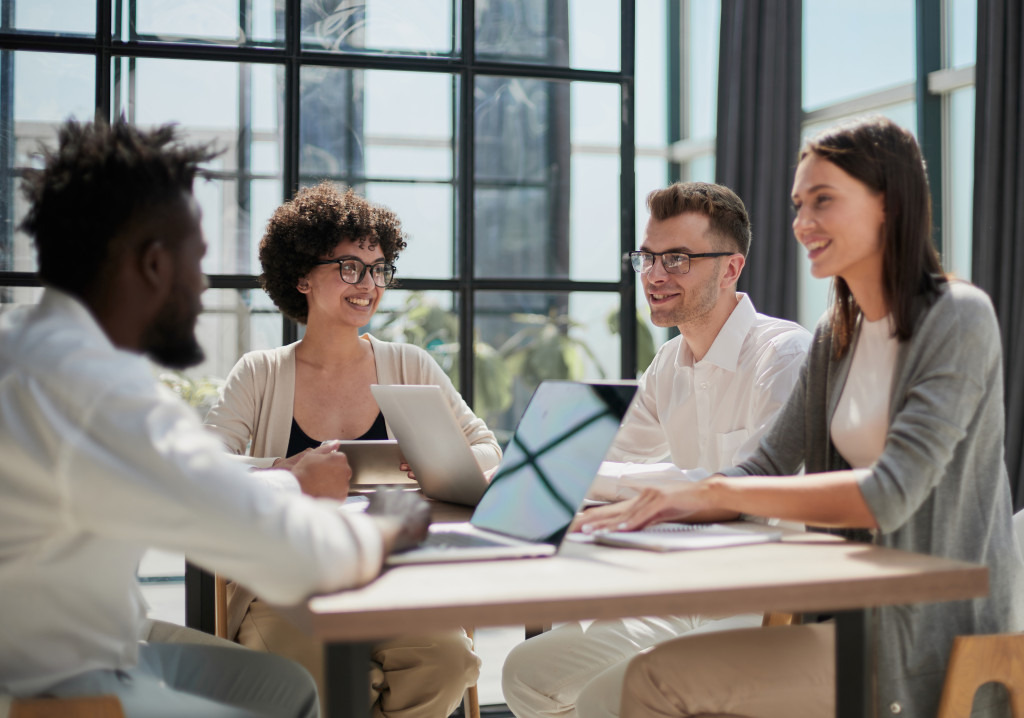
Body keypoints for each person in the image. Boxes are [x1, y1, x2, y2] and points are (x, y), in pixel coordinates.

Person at [577, 116, 1024, 718]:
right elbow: (765, 465)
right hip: (852, 619)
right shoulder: (835, 333)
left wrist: (706, 489)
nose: (802, 223)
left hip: (933, 638)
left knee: (655, 684)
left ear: (889, 205)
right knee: (636, 682)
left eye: (823, 201)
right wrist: (664, 502)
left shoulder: (957, 317)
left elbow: (890, 492)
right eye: (797, 204)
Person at [0, 119, 432, 717]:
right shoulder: (98, 393)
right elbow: (296, 555)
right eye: (194, 262)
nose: (201, 285)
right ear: (153, 264)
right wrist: (387, 528)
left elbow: (195, 481)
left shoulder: (22, 345)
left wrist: (291, 482)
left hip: (101, 638)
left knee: (288, 689)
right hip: (54, 687)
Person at [501, 182, 811, 718]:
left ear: (731, 268)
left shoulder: (783, 356)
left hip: (758, 601)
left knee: (606, 697)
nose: (654, 275)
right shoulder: (669, 364)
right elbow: (597, 457)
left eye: (677, 259)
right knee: (528, 674)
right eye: (647, 257)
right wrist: (510, 469)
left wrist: (611, 483)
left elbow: (755, 493)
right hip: (680, 593)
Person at [203, 181, 497, 718]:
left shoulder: (410, 363)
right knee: (329, 684)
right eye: (349, 267)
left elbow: (485, 449)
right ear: (301, 278)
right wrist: (285, 471)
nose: (368, 284)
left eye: (378, 268)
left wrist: (440, 461)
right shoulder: (260, 373)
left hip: (396, 576)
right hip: (285, 583)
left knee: (449, 660)